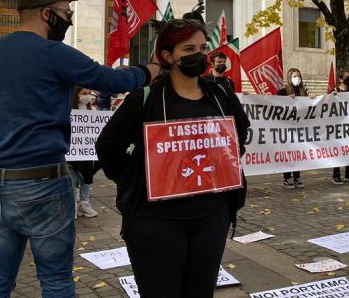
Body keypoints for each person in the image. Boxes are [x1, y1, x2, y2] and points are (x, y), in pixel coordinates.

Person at [0, 0, 161, 297]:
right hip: (43, 183)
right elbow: (112, 80)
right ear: (47, 13)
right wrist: (150, 69)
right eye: (66, 12)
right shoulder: (53, 53)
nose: (69, 19)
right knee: (56, 281)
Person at [96, 19, 250, 296]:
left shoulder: (221, 94)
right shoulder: (145, 98)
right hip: (155, 221)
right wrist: (138, 177)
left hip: (211, 217)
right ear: (168, 56)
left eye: (203, 47)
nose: (199, 55)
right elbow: (108, 147)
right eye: (188, 48)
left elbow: (239, 136)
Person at [277, 68, 314, 188]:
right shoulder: (282, 92)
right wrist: (287, 101)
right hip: (286, 129)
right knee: (288, 153)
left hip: (300, 129)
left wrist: (312, 97)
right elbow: (275, 107)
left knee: (298, 153)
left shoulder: (303, 91)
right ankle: (287, 178)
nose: (297, 78)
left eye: (298, 76)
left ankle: (297, 177)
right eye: (294, 76)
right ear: (289, 78)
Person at [69, 87, 101, 218]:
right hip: (72, 153)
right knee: (72, 178)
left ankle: (84, 203)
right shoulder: (69, 111)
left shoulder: (91, 110)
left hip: (87, 153)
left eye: (89, 94)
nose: (87, 96)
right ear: (76, 95)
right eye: (84, 94)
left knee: (87, 178)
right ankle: (72, 206)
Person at [330, 69, 349, 185]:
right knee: (337, 149)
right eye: (347, 77)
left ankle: (348, 173)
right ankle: (336, 174)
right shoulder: (335, 91)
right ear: (341, 79)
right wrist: (330, 97)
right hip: (337, 126)